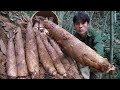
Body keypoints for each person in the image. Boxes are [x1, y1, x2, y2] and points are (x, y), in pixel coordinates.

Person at [73, 12, 104, 79]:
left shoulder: (95, 34)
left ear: (88, 24)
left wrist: (90, 62)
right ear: (74, 25)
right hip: (81, 65)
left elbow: (99, 51)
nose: (80, 26)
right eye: (77, 24)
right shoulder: (74, 37)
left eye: (83, 23)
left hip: (95, 63)